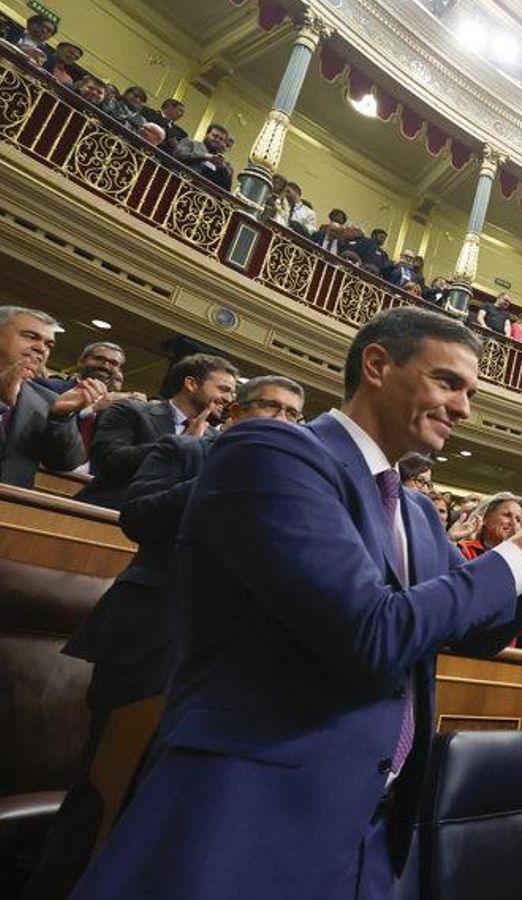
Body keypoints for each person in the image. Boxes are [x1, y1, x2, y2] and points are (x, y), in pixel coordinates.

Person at [72, 308, 522, 899]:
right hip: (244, 814)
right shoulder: (272, 452)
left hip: (370, 832)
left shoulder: (420, 512)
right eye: (448, 382)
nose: (463, 409)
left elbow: (480, 629)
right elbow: (371, 633)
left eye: (469, 392)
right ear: (376, 365)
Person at [30, 376, 305, 897]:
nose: (284, 421)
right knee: (105, 792)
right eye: (271, 408)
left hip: (231, 662)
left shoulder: (293, 485)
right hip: (151, 641)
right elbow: (139, 518)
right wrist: (229, 471)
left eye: (294, 415)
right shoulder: (183, 451)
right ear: (237, 415)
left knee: (179, 803)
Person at [75, 353, 238, 509]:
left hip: (162, 529)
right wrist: (181, 443)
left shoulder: (216, 439)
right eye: (223, 389)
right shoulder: (131, 410)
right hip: (99, 515)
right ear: (191, 384)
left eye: (231, 393)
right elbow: (107, 461)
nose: (229, 399)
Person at [0, 307, 91, 487]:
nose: (41, 348)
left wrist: (60, 418)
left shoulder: (46, 399)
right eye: (31, 336)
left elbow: (66, 462)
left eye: (49, 345)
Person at [453, 492, 522, 560]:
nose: (514, 523)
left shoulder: (520, 560)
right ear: (485, 518)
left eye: (518, 520)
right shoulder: (463, 550)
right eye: (507, 515)